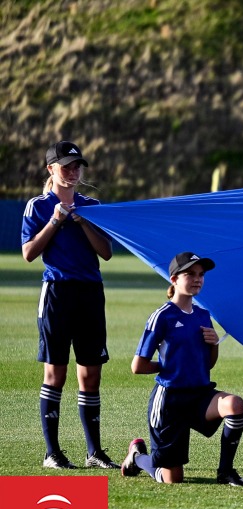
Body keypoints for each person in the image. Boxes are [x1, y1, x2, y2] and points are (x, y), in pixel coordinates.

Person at [20, 141, 118, 470]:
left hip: (90, 292)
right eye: (67, 166)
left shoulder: (92, 205)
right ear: (51, 169)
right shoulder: (38, 206)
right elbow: (29, 253)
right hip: (58, 293)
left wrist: (81, 221)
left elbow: (105, 252)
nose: (74, 172)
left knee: (90, 375)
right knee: (55, 373)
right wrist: (56, 220)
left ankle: (94, 452)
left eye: (78, 166)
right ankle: (52, 453)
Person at [121, 252, 243, 486]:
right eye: (189, 273)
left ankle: (225, 472)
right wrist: (170, 366)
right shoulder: (162, 317)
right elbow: (137, 366)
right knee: (173, 479)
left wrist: (213, 345)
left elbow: (208, 364)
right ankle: (138, 457)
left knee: (235, 404)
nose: (197, 279)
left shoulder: (203, 315)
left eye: (200, 274)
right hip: (169, 401)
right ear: (173, 279)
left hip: (199, 394)